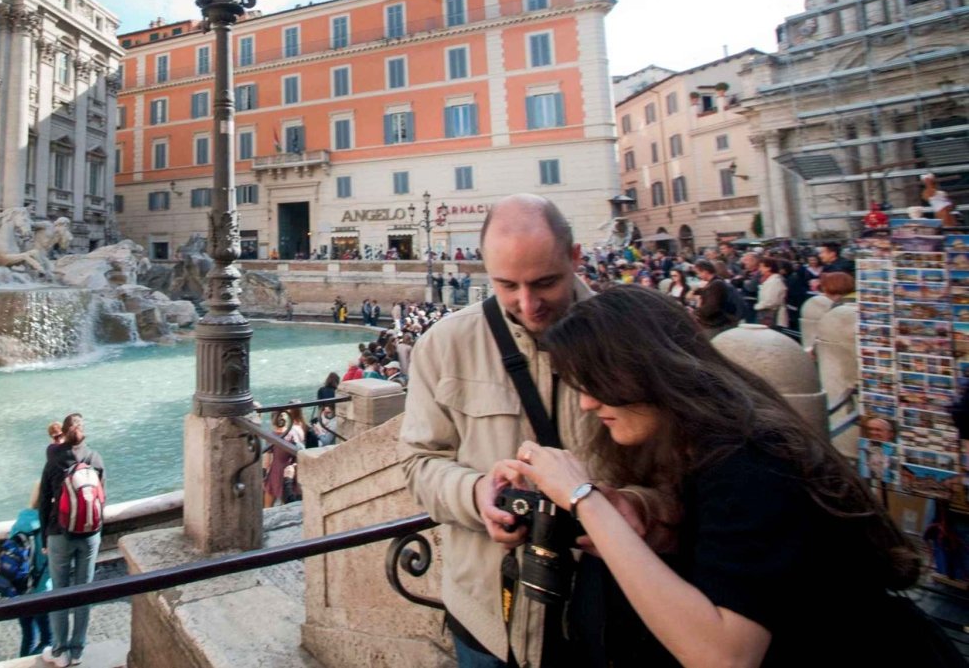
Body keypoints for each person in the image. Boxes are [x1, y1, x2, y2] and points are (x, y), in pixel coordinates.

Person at [500, 286, 939, 667]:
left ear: (642, 370)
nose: (586, 405)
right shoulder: (711, 443)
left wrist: (585, 499)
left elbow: (725, 655)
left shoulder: (751, 459)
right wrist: (649, 516)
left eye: (593, 383)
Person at [402, 194, 644, 668]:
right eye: (507, 285)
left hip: (608, 609)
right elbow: (417, 462)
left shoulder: (631, 338)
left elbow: (676, 462)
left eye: (546, 282)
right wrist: (476, 494)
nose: (528, 304)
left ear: (576, 258)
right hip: (488, 617)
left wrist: (640, 506)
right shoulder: (444, 345)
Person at [38, 413, 105, 667]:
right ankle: (78, 651)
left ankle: (59, 651)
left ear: (63, 434)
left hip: (59, 533)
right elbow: (102, 498)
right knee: (83, 591)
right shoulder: (96, 458)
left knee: (60, 591)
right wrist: (97, 531)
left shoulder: (54, 459)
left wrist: (45, 536)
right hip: (90, 535)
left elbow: (44, 501)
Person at [4, 486, 53, 658]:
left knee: (28, 636)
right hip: (42, 591)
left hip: (20, 589)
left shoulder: (20, 521)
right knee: (48, 639)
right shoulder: (49, 524)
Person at [755, 256, 789, 328]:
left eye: (761, 266)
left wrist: (757, 306)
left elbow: (771, 301)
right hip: (767, 315)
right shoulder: (769, 280)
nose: (759, 269)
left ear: (769, 268)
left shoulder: (775, 282)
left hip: (772, 316)